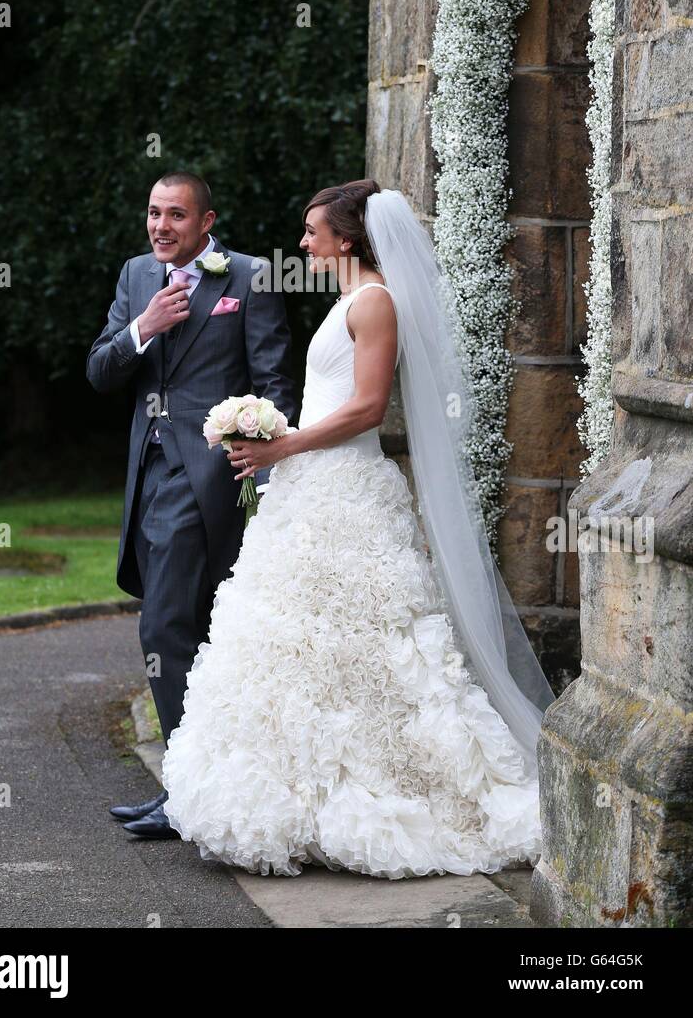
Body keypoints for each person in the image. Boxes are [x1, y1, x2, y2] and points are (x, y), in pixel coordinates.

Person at [159, 178, 558, 878]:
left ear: (346, 238)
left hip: (345, 490)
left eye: (314, 232)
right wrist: (278, 438)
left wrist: (283, 443)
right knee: (300, 647)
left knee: (373, 649)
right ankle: (303, 799)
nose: (305, 243)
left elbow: (370, 407)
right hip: (313, 488)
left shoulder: (374, 302)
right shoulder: (351, 300)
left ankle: (383, 795)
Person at [86, 171, 296, 838]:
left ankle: (186, 791)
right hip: (148, 479)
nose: (160, 226)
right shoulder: (134, 277)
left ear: (207, 222)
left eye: (176, 214)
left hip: (211, 478)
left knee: (165, 629)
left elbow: (273, 385)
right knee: (187, 630)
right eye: (153, 213)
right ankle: (203, 790)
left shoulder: (249, 277)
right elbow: (99, 371)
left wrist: (257, 470)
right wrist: (141, 330)